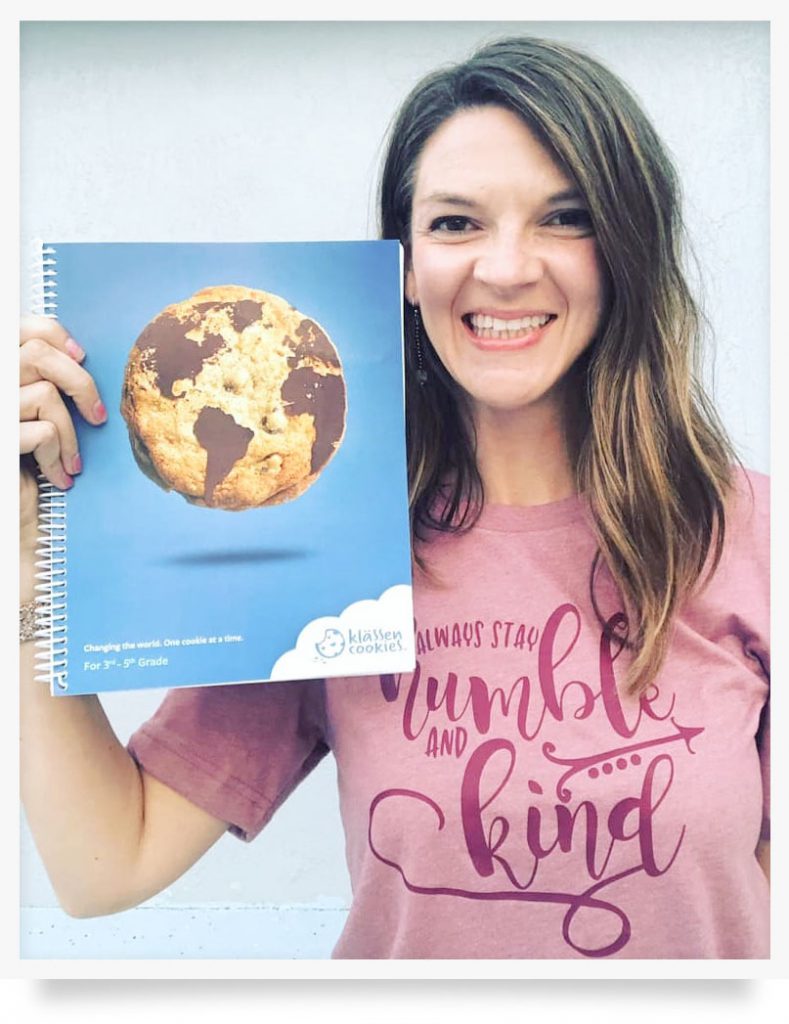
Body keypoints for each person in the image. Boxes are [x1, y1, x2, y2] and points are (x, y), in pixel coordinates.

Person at [19, 35, 769, 959]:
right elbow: (104, 865)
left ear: (627, 247)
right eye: (455, 223)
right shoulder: (333, 550)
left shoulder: (754, 538)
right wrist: (30, 577)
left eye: (564, 217)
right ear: (403, 266)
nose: (504, 268)